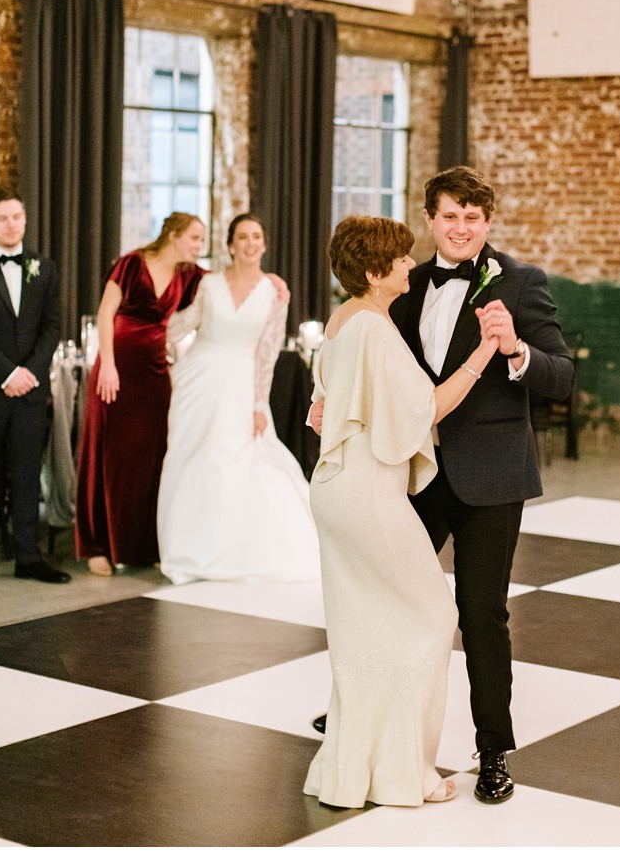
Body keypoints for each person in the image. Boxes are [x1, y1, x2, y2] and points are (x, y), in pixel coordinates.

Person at [310, 166, 575, 802]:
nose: (461, 228)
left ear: (488, 223)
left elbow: (562, 376)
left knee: (481, 614)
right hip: (411, 475)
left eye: (473, 219)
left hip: (491, 477)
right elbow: (376, 366)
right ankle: (357, 716)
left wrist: (515, 350)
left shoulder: (522, 283)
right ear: (430, 219)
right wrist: (330, 398)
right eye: (450, 216)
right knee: (380, 593)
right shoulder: (404, 281)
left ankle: (492, 753)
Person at [304, 214, 503, 808]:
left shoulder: (344, 322)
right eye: (399, 260)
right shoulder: (373, 329)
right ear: (374, 272)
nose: (410, 266)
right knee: (432, 617)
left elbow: (325, 399)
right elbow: (427, 408)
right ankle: (402, 772)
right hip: (368, 492)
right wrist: (486, 350)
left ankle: (353, 769)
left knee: (367, 625)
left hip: (338, 487)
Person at [156, 214, 319, 585]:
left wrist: (260, 403)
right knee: (189, 458)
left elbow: (268, 350)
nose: (249, 243)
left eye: (256, 237)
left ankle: (231, 549)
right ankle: (185, 549)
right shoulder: (209, 284)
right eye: (242, 237)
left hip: (241, 383)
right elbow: (185, 323)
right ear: (230, 245)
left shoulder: (274, 291)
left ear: (263, 244)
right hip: (197, 380)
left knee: (236, 459)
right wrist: (149, 335)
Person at [76, 213, 207, 576]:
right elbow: (105, 315)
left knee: (151, 459)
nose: (199, 246)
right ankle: (96, 546)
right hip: (115, 371)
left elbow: (226, 290)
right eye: (195, 238)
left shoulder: (189, 275)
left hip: (154, 374)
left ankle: (142, 545)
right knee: (106, 454)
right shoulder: (131, 264)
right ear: (174, 235)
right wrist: (108, 365)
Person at [0, 185, 70, 585]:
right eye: (3, 217)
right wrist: (7, 374)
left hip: (30, 391)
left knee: (28, 476)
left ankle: (28, 557)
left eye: (17, 216)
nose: (12, 225)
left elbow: (52, 328)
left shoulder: (44, 268)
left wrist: (28, 372)